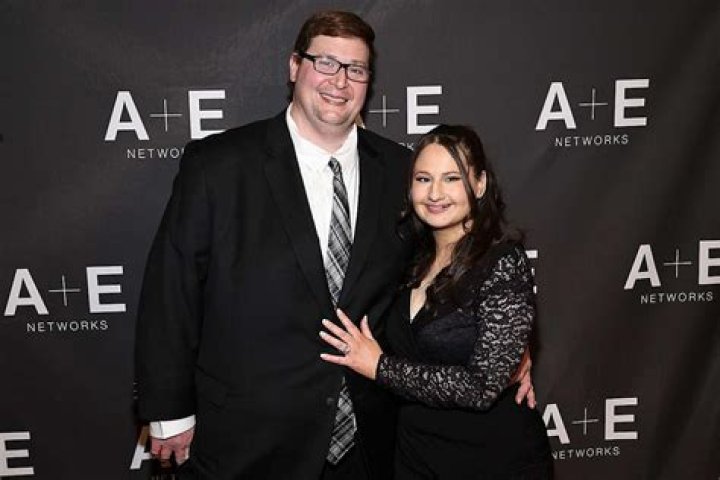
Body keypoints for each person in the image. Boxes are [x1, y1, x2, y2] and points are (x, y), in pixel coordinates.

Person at [135, 11, 535, 480]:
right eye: (325, 62)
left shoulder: (401, 171)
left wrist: (508, 347)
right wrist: (170, 411)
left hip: (371, 443)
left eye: (356, 69)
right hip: (251, 438)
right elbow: (172, 290)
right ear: (294, 66)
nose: (340, 81)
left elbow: (453, 272)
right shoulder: (219, 165)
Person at [320, 125, 553, 479]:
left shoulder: (501, 262)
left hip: (493, 459)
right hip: (415, 456)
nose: (435, 193)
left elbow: (482, 387)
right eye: (424, 179)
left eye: (452, 178)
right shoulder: (408, 258)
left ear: (480, 184)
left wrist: (380, 367)